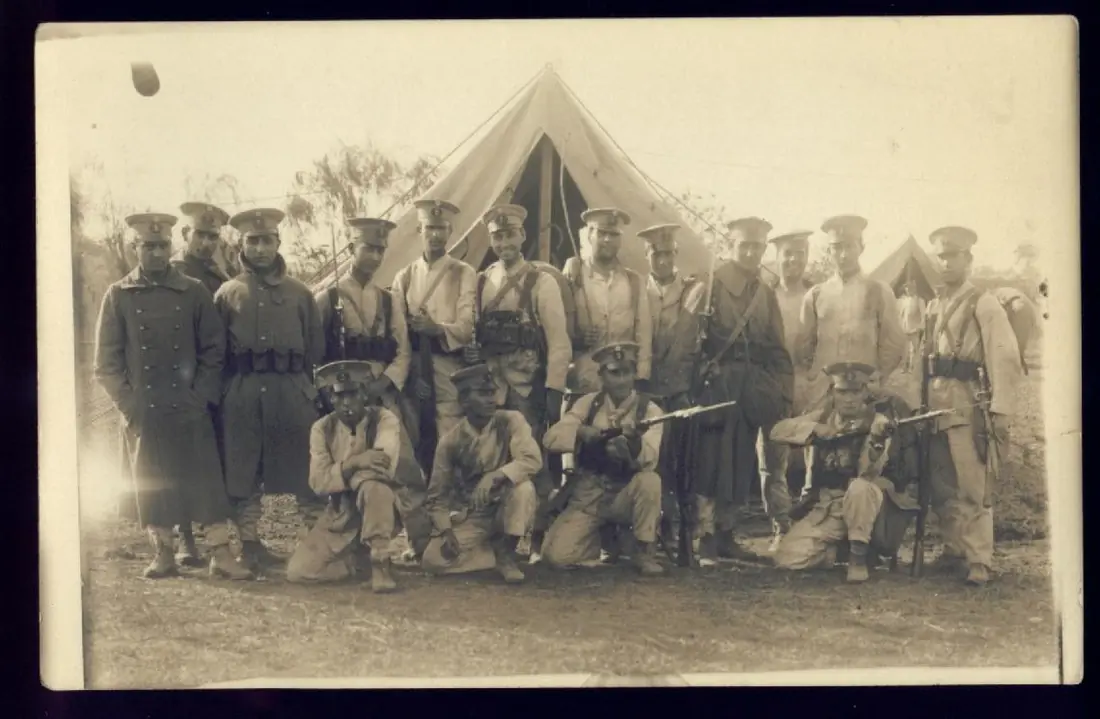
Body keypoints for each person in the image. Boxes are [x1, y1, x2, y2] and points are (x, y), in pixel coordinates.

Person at [93, 212, 252, 580]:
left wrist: (201, 397)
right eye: (148, 246)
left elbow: (214, 350)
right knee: (153, 482)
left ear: (171, 245)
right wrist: (131, 407)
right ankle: (163, 551)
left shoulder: (193, 290)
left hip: (190, 405)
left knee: (205, 480)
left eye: (162, 245)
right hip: (145, 411)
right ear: (135, 248)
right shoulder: (118, 295)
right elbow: (106, 364)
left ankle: (220, 553)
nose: (156, 253)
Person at [214, 207, 326, 573]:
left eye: (267, 241)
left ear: (278, 243)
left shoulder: (300, 294)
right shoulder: (228, 293)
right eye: (253, 241)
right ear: (240, 246)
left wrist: (303, 389)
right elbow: (216, 354)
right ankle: (249, 544)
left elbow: (315, 349)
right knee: (245, 470)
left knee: (299, 469)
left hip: (290, 392)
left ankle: (313, 546)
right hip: (244, 393)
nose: (260, 248)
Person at [314, 216, 431, 561]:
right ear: (351, 248)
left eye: (381, 249)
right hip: (344, 403)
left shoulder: (389, 299)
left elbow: (402, 351)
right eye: (368, 248)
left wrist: (385, 382)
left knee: (405, 468)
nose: (376, 256)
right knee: (349, 471)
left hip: (382, 397)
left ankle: (421, 543)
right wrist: (334, 398)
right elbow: (318, 360)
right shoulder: (328, 298)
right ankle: (352, 547)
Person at [467, 204, 571, 563]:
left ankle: (538, 537)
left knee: (535, 461)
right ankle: (496, 538)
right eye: (497, 236)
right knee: (491, 461)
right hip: (493, 389)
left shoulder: (540, 282)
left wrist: (554, 392)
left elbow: (559, 343)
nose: (503, 242)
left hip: (527, 388)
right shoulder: (482, 282)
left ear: (522, 236)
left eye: (510, 234)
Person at [691, 217, 793, 566]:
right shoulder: (709, 283)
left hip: (749, 388)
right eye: (743, 245)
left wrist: (782, 392)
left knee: (740, 460)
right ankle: (703, 535)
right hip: (714, 385)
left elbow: (777, 347)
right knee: (709, 459)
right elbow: (687, 338)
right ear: (729, 245)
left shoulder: (765, 293)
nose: (750, 252)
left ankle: (726, 533)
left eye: (757, 246)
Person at [924, 226, 1022, 585]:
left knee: (973, 483)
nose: (946, 262)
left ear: (968, 259)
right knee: (942, 482)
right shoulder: (935, 304)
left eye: (953, 255)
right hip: (936, 404)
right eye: (941, 255)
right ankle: (954, 549)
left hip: (967, 403)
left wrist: (1000, 409)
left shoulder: (984, 302)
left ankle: (979, 558)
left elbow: (1004, 355)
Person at [771, 362, 919, 583]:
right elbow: (777, 431)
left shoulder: (877, 421)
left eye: (855, 392)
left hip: (873, 507)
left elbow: (868, 472)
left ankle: (858, 559)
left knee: (860, 487)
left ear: (865, 393)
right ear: (832, 393)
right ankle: (836, 553)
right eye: (842, 392)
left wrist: (877, 441)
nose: (848, 399)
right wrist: (815, 429)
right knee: (787, 558)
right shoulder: (824, 417)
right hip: (832, 506)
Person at [541, 342, 666, 575]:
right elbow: (551, 438)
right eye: (613, 373)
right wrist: (581, 432)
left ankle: (644, 550)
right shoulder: (588, 403)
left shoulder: (649, 410)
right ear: (601, 375)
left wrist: (634, 443)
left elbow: (650, 460)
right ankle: (603, 539)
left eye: (626, 373)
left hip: (625, 493)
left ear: (634, 374)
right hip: (591, 494)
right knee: (555, 557)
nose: (620, 380)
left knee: (650, 482)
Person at [285, 360, 404, 592]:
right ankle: (355, 564)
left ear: (364, 395)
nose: (346, 403)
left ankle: (381, 565)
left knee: (373, 486)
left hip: (381, 506)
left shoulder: (384, 419)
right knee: (299, 572)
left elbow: (381, 466)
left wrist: (340, 473)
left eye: (352, 394)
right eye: (338, 397)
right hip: (341, 511)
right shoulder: (322, 428)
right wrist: (355, 462)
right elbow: (318, 482)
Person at [420, 364, 542, 584]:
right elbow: (436, 497)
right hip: (474, 514)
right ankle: (489, 554)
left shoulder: (511, 421)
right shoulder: (451, 441)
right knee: (432, 560)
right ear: (464, 401)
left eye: (492, 393)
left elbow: (532, 460)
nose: (491, 400)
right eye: (482, 394)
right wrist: (446, 532)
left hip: (506, 503)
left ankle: (507, 553)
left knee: (523, 488)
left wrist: (495, 475)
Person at [170, 201, 235, 567]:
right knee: (180, 460)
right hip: (183, 379)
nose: (207, 242)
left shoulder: (219, 276)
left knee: (213, 460)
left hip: (216, 378)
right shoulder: (175, 272)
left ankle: (218, 539)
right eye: (201, 234)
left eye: (213, 236)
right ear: (184, 234)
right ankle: (184, 538)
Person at [392, 199, 478, 476]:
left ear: (450, 231)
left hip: (447, 366)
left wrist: (437, 328)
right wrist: (409, 374)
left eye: (442, 228)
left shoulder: (464, 272)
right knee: (414, 432)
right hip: (414, 365)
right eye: (430, 228)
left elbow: (466, 327)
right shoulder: (403, 277)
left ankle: (448, 497)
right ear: (420, 229)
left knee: (449, 433)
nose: (436, 235)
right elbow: (399, 334)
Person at [637, 223, 706, 557]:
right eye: (655, 254)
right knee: (653, 462)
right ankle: (654, 530)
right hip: (647, 391)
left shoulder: (693, 291)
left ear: (675, 255)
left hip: (680, 389)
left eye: (667, 253)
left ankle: (685, 533)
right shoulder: (637, 291)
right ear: (646, 255)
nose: (662, 260)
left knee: (684, 465)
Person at [795, 215, 906, 410]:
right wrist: (814, 379)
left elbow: (893, 343)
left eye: (849, 246)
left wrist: (877, 377)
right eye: (837, 247)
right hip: (823, 394)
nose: (843, 255)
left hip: (864, 393)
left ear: (861, 247)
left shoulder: (878, 291)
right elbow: (803, 347)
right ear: (829, 251)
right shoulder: (816, 294)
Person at [758, 229, 816, 550]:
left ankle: (810, 525)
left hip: (808, 384)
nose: (794, 260)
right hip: (773, 387)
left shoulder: (817, 295)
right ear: (776, 257)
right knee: (772, 459)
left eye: (800, 253)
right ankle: (781, 525)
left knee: (814, 458)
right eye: (787, 253)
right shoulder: (765, 296)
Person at [563, 208, 653, 395]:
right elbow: (559, 328)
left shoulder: (634, 281)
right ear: (589, 234)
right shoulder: (574, 274)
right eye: (601, 233)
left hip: (623, 377)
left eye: (613, 234)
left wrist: (642, 376)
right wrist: (578, 339)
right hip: (585, 377)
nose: (607, 240)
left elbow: (643, 333)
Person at [898, 280, 927, 373]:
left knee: (914, 350)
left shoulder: (919, 300)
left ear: (914, 289)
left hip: (914, 329)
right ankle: (904, 367)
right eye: (907, 288)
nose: (908, 290)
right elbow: (902, 314)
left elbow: (923, 315)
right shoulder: (904, 301)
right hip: (905, 328)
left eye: (910, 288)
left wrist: (919, 327)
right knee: (904, 350)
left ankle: (912, 368)